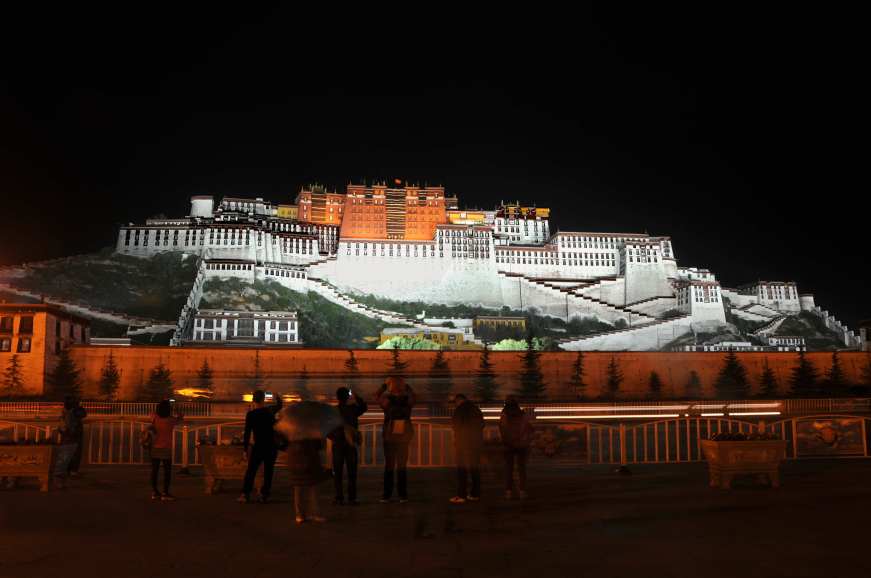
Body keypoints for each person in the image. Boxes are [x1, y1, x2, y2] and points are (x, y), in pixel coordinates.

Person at [239, 389, 283, 504]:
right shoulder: (269, 411)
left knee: (251, 471)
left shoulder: (251, 415)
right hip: (271, 446)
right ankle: (264, 495)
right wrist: (277, 396)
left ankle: (245, 494)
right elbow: (280, 405)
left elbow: (247, 433)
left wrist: (245, 449)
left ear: (254, 400)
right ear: (263, 399)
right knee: (269, 471)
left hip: (258, 446)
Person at [376, 376, 415, 503]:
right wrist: (408, 388)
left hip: (390, 436)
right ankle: (402, 495)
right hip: (403, 435)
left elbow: (377, 397)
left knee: (389, 466)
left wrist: (383, 386)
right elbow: (415, 398)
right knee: (401, 466)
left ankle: (386, 495)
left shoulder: (388, 400)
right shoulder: (407, 400)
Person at [329, 386, 367, 505]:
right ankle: (352, 497)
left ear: (337, 397)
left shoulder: (333, 411)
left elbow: (327, 429)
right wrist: (356, 395)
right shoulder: (353, 410)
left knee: (338, 473)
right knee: (352, 473)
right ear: (347, 397)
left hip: (338, 444)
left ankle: (339, 497)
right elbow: (364, 407)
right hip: (350, 444)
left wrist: (334, 437)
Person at [449, 393, 484, 504]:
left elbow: (456, 425)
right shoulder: (475, 409)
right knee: (474, 469)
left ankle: (461, 495)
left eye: (455, 402)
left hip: (463, 444)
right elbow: (482, 424)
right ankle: (475, 494)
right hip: (475, 444)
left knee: (462, 470)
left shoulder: (460, 410)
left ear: (459, 400)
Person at [287, 438, 329, 524]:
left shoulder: (292, 434)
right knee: (313, 488)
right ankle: (315, 513)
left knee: (299, 489)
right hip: (310, 463)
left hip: (297, 464)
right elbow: (318, 446)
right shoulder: (311, 434)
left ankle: (300, 515)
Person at [499, 396, 533, 499]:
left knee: (509, 469)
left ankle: (508, 491)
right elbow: (530, 428)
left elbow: (502, 429)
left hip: (508, 445)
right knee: (521, 468)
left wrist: (506, 440)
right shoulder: (522, 414)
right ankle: (522, 491)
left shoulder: (504, 414)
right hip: (521, 445)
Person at [149, 400, 184, 501]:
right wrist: (175, 409)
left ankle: (155, 492)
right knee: (167, 472)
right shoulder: (170, 420)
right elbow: (181, 417)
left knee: (154, 471)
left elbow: (151, 413)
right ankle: (165, 493)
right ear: (169, 410)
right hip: (166, 448)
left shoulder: (154, 417)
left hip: (155, 447)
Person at [61, 395, 87, 478]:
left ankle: (67, 470)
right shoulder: (75, 410)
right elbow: (83, 414)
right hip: (74, 434)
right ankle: (72, 471)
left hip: (67, 434)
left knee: (68, 452)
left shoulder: (66, 411)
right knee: (75, 452)